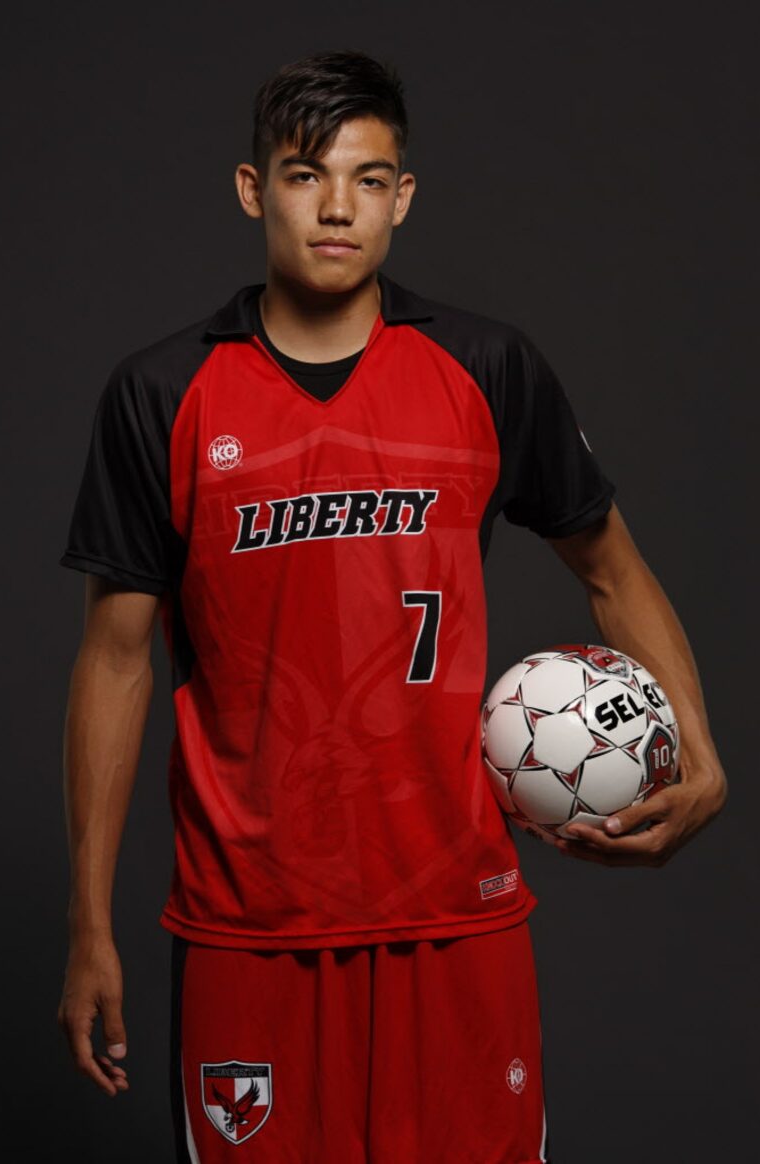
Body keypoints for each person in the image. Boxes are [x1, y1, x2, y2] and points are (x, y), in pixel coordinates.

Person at [56, 49, 727, 1164]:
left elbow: (611, 570)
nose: (335, 206)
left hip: (454, 913)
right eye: (304, 173)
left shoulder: (482, 366)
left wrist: (696, 744)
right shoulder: (162, 394)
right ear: (250, 188)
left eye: (367, 179)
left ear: (402, 197)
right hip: (248, 926)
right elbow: (115, 660)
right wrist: (87, 923)